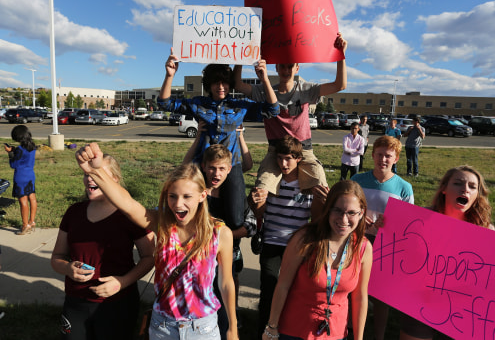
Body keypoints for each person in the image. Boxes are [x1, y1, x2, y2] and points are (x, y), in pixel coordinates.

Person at [75, 143, 239, 340]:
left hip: (203, 328)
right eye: (172, 196)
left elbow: (226, 283)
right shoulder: (161, 224)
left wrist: (232, 328)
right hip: (163, 327)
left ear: (202, 196)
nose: (178, 204)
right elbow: (127, 203)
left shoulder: (221, 233)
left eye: (187, 196)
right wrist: (95, 170)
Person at [158, 53, 279, 244]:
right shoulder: (199, 104)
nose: (221, 87)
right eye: (216, 83)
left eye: (225, 83)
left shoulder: (240, 107)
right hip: (203, 166)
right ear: (209, 84)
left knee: (236, 219)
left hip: (231, 166)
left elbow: (273, 109)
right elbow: (165, 103)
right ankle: (199, 247)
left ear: (230, 84)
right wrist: (170, 75)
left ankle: (229, 247)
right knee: (197, 213)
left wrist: (264, 78)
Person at [51, 152, 155, 340]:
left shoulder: (130, 215)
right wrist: (67, 268)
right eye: (86, 174)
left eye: (97, 173)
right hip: (76, 302)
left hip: (116, 302)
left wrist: (121, 282)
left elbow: (149, 257)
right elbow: (57, 257)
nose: (90, 178)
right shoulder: (74, 212)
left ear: (113, 180)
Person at [234, 33, 347, 200]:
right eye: (282, 66)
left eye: (290, 66)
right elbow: (237, 85)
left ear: (297, 68)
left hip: (304, 150)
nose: (286, 70)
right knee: (258, 194)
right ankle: (260, 225)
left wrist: (341, 55)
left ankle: (315, 226)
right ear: (276, 68)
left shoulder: (306, 89)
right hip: (276, 152)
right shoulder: (264, 89)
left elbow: (340, 85)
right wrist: (241, 57)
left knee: (323, 193)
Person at [263, 180, 373, 340]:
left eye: (351, 213)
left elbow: (360, 297)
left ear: (361, 213)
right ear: (328, 209)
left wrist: (359, 337)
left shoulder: (363, 248)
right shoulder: (305, 239)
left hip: (335, 332)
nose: (343, 220)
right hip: (295, 331)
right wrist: (271, 327)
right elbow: (283, 285)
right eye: (338, 210)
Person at [399, 165, 494, 340]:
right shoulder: (419, 219)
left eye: (472, 187)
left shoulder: (486, 231)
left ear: (477, 195)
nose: (465, 189)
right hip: (421, 302)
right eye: (458, 183)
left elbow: (494, 274)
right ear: (444, 189)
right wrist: (387, 226)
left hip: (462, 311)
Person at [251, 135, 316, 338]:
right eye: (279, 158)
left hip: (298, 246)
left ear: (298, 158)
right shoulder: (272, 180)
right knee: (269, 288)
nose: (283, 163)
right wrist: (254, 201)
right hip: (271, 241)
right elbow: (258, 213)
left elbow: (317, 216)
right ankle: (265, 331)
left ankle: (289, 330)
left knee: (296, 291)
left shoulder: (308, 184)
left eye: (288, 158)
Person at [351, 135, 413, 340]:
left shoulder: (404, 187)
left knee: (381, 296)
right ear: (372, 155)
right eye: (379, 155)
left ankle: (378, 335)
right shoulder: (357, 180)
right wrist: (360, 219)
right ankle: (349, 329)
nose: (383, 160)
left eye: (388, 156)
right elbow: (347, 208)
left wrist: (391, 223)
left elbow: (408, 223)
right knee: (353, 288)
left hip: (387, 246)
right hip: (358, 240)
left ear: (396, 159)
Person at [200, 144, 257, 338]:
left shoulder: (234, 195)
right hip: (199, 262)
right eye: (212, 168)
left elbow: (251, 224)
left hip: (226, 259)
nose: (216, 173)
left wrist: (223, 238)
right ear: (204, 166)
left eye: (222, 168)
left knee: (224, 302)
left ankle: (228, 327)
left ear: (229, 169)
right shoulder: (196, 193)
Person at [4, 125, 37, 235]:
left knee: (23, 201)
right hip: (30, 175)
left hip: (21, 177)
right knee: (32, 197)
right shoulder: (33, 147)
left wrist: (10, 153)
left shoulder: (19, 150)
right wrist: (14, 151)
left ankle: (24, 225)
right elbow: (24, 156)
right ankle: (31, 221)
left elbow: (14, 164)